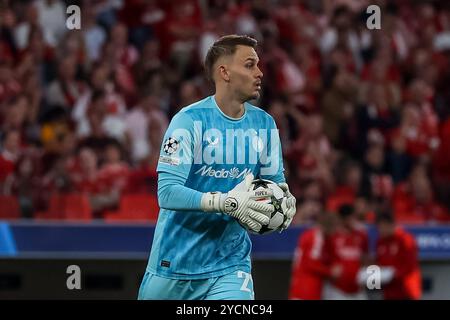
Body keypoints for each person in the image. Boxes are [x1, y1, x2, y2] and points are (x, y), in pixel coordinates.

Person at [138, 35, 297, 300]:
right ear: (224, 72)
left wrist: (285, 202)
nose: (259, 73)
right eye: (249, 65)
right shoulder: (187, 121)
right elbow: (166, 193)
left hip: (230, 265)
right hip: (174, 264)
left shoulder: (266, 125)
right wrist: (224, 202)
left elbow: (274, 186)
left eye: (258, 65)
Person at [289, 211, 341, 300]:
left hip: (303, 285)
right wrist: (330, 271)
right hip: (306, 288)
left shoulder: (315, 235)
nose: (336, 230)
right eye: (335, 226)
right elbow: (310, 263)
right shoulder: (316, 236)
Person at [324, 204, 369, 300]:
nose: (351, 221)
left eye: (352, 218)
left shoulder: (361, 235)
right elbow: (324, 260)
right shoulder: (332, 237)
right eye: (348, 219)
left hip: (358, 289)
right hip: (337, 290)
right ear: (341, 219)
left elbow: (365, 257)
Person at [375, 212, 422, 300]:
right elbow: (379, 263)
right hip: (389, 292)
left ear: (390, 224)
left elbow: (410, 266)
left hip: (406, 291)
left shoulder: (405, 239)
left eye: (382, 227)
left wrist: (392, 274)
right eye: (379, 227)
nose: (380, 230)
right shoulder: (380, 242)